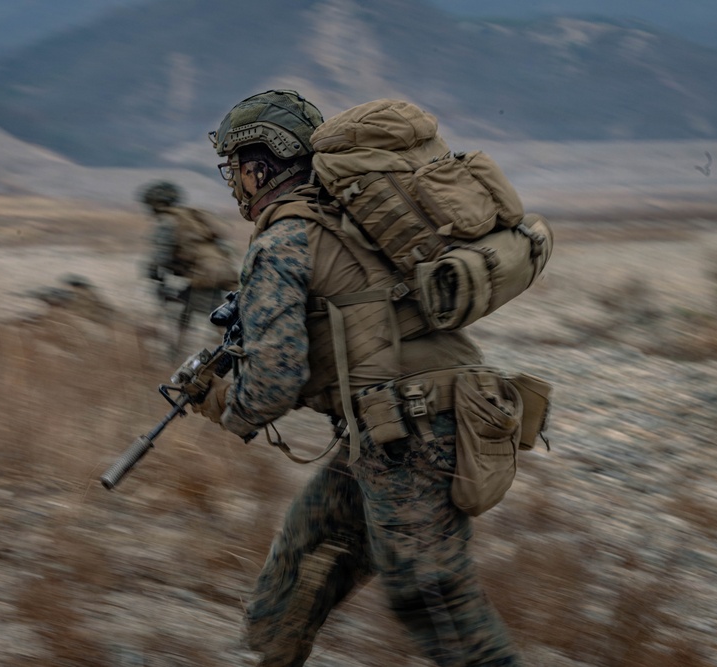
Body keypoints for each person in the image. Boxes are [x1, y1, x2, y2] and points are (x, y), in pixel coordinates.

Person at [192, 89, 521, 665]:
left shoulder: (284, 238)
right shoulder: (354, 217)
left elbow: (273, 381)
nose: (236, 183)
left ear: (260, 166)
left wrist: (221, 401)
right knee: (302, 554)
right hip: (396, 428)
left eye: (237, 169)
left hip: (413, 432)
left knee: (432, 600)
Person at [139, 180, 238, 351]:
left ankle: (236, 353)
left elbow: (161, 256)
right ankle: (175, 353)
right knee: (185, 310)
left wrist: (154, 274)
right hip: (222, 270)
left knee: (217, 318)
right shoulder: (190, 217)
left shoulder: (167, 221)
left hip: (205, 275)